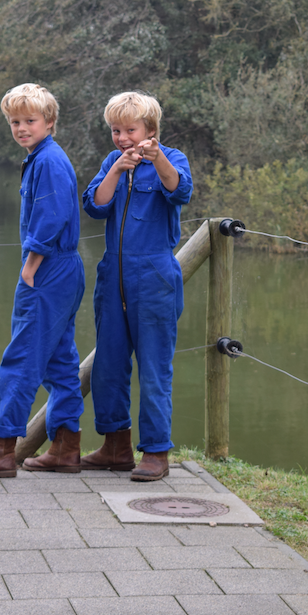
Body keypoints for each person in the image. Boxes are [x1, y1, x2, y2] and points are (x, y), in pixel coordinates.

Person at [0, 84, 85, 478]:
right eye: (15, 122)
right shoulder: (41, 157)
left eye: (30, 121)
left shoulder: (48, 161)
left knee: (21, 358)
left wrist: (32, 263)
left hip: (50, 268)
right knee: (59, 363)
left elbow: (53, 214)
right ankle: (65, 447)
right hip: (61, 269)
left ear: (50, 123)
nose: (22, 128)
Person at [81, 91, 192, 481]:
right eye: (116, 130)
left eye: (130, 130)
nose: (123, 138)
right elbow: (95, 205)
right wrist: (116, 169)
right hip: (113, 275)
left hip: (154, 276)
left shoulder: (172, 158)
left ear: (151, 130)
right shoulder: (113, 161)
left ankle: (156, 453)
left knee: (154, 367)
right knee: (108, 365)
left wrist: (155, 157)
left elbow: (180, 190)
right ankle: (115, 446)